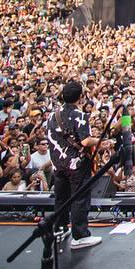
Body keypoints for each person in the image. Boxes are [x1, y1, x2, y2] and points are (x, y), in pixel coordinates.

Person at [47, 79, 101, 250]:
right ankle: (80, 236)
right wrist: (101, 141)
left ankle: (60, 229)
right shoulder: (79, 115)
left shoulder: (52, 115)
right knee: (79, 197)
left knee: (61, 197)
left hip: (58, 164)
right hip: (76, 164)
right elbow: (85, 141)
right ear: (81, 97)